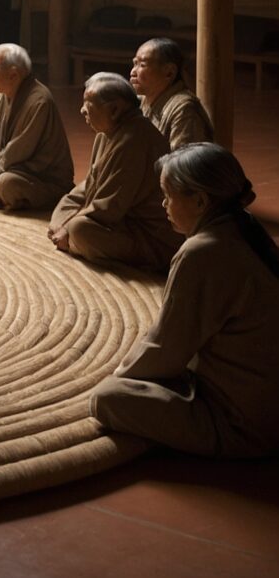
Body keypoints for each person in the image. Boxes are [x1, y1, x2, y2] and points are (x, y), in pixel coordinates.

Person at [90, 144, 279, 457]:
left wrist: (120, 376)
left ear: (201, 201)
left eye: (168, 194)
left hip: (244, 424)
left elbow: (167, 349)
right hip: (265, 402)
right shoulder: (245, 226)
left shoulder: (202, 252)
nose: (163, 204)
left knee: (107, 397)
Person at [48, 72, 182, 271]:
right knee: (67, 207)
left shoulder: (134, 140)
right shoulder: (106, 134)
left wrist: (68, 227)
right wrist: (62, 219)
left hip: (148, 235)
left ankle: (74, 241)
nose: (82, 110)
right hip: (121, 220)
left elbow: (108, 207)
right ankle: (70, 239)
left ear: (114, 110)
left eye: (88, 104)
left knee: (80, 230)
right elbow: (90, 184)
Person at [0, 43, 74, 211]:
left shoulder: (39, 102)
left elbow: (18, 152)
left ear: (13, 75)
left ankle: (0, 192)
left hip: (38, 175)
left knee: (6, 185)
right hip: (5, 165)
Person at [129, 37, 214, 149]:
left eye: (142, 65)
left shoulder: (184, 109)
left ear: (169, 72)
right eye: (135, 63)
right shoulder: (141, 100)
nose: (133, 72)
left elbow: (182, 158)